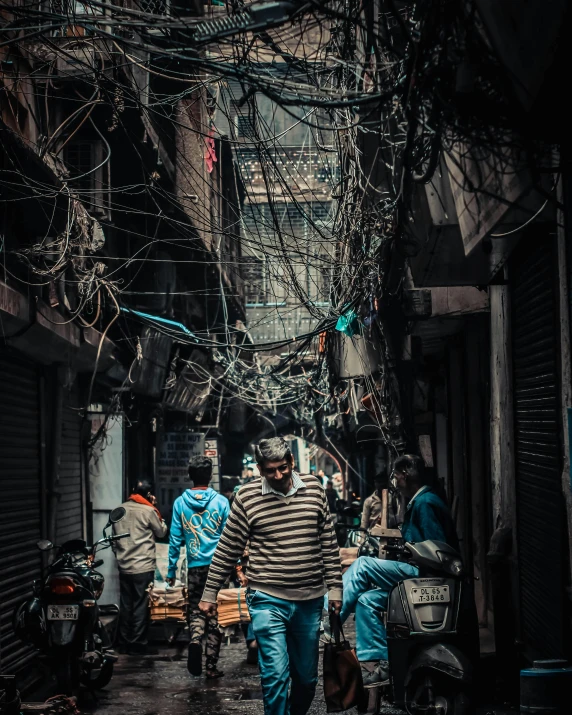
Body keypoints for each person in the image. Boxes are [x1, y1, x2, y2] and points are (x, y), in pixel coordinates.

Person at [198, 437, 343, 715]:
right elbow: (228, 547)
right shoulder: (247, 497)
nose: (277, 475)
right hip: (266, 598)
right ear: (260, 468)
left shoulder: (314, 489)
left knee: (306, 679)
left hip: (309, 599)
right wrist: (209, 593)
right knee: (275, 675)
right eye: (270, 470)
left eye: (282, 468)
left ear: (291, 462)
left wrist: (336, 588)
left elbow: (328, 541)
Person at [340, 454, 459, 687]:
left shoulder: (425, 502)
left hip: (426, 576)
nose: (394, 481)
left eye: (395, 476)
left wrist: (409, 552)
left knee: (363, 565)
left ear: (405, 474)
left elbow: (436, 549)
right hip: (417, 574)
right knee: (366, 600)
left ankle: (330, 619)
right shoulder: (419, 501)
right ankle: (382, 663)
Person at [166, 456, 230, 679]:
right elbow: (230, 538)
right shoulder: (221, 502)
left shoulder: (180, 503)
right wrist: (237, 566)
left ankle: (195, 638)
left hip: (194, 567)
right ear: (210, 476)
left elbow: (175, 539)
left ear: (190, 476)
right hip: (219, 568)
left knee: (195, 609)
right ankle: (211, 666)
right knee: (214, 613)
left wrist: (171, 570)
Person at [113, 479, 168, 655]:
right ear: (149, 495)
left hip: (124, 565)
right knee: (140, 605)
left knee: (126, 604)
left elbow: (114, 540)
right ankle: (137, 643)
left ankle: (124, 642)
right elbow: (161, 532)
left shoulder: (119, 510)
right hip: (143, 566)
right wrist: (156, 510)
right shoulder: (149, 510)